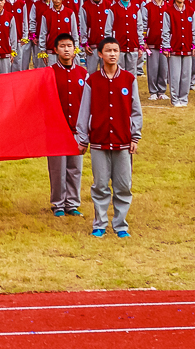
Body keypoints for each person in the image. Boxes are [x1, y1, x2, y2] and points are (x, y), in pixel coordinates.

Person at [75, 37, 141, 238]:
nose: (112, 54)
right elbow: (84, 110)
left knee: (123, 185)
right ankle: (100, 223)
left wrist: (135, 136)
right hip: (99, 140)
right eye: (108, 50)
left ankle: (120, 225)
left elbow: (136, 109)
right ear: (100, 54)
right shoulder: (92, 80)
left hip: (122, 141)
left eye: (116, 50)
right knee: (100, 184)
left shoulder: (129, 79)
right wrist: (82, 138)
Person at [45, 32, 87, 217]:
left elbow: (88, 102)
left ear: (74, 49)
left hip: (77, 129)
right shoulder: (49, 73)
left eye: (69, 46)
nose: (66, 49)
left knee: (75, 168)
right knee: (57, 168)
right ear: (56, 50)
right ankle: (58, 203)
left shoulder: (83, 74)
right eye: (62, 46)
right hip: (56, 130)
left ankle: (72, 202)